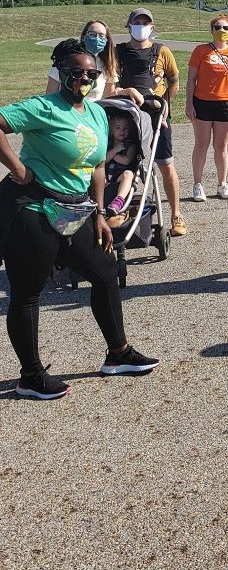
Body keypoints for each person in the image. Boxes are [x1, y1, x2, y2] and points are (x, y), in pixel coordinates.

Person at [0, 39, 159, 400]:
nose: (83, 79)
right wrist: (20, 169)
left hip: (76, 208)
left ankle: (117, 354)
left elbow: (99, 167)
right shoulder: (42, 107)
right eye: (75, 73)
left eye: (91, 73)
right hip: (33, 207)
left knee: (105, 273)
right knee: (27, 292)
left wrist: (101, 212)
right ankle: (31, 377)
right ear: (60, 71)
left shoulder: (97, 113)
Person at [115, 9, 188, 237]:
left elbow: (173, 80)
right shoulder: (118, 52)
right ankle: (121, 208)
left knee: (166, 164)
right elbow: (110, 81)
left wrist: (165, 105)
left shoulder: (162, 51)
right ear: (128, 25)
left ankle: (176, 214)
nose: (140, 26)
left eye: (145, 22)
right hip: (126, 116)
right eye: (136, 22)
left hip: (157, 117)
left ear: (152, 27)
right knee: (125, 163)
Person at [185, 13, 228, 202]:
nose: (221, 31)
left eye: (225, 28)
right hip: (202, 102)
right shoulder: (201, 51)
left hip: (225, 102)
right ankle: (197, 185)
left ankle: (222, 184)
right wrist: (189, 103)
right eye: (217, 27)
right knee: (201, 144)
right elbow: (191, 79)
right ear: (211, 31)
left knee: (221, 146)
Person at [46, 19, 121, 103]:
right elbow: (50, 95)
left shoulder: (107, 64)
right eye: (92, 34)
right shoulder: (66, 60)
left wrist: (123, 91)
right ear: (84, 36)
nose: (97, 38)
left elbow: (108, 96)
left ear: (107, 39)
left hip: (94, 112)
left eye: (101, 35)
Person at [103, 112, 138, 226]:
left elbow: (127, 160)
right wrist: (115, 150)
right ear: (111, 130)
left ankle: (119, 200)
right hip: (105, 176)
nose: (121, 131)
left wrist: (113, 154)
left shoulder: (130, 145)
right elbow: (102, 160)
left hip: (120, 176)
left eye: (125, 128)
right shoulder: (107, 144)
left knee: (128, 174)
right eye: (118, 128)